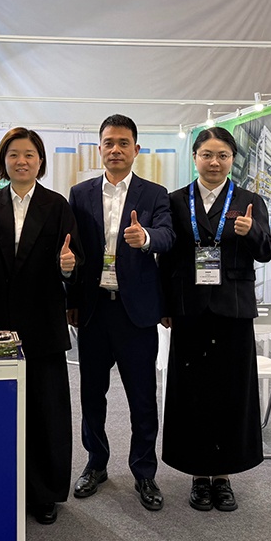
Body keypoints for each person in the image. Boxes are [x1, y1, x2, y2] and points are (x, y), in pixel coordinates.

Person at [0, 127, 82, 526]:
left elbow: (74, 256)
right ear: (4, 160)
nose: (21, 161)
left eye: (29, 154)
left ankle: (45, 492)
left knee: (47, 410)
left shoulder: (56, 204)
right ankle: (1, 488)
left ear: (40, 161)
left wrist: (68, 265)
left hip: (43, 319)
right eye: (14, 154)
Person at [159, 126, 271, 512]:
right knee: (192, 392)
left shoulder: (249, 201)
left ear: (232, 160)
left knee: (231, 392)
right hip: (189, 308)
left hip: (233, 310)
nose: (214, 162)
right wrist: (164, 305)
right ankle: (197, 473)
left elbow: (266, 251)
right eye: (207, 154)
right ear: (195, 157)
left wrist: (252, 231)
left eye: (222, 155)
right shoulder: (176, 201)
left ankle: (224, 475)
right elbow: (166, 257)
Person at [67, 114, 175, 511]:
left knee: (143, 398)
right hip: (95, 310)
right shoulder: (80, 193)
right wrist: (71, 299)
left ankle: (144, 472)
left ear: (136, 149)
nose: (116, 149)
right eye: (109, 143)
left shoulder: (154, 194)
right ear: (99, 148)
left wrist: (144, 237)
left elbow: (167, 236)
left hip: (136, 313)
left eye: (123, 143)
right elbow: (72, 248)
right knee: (92, 395)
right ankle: (96, 464)